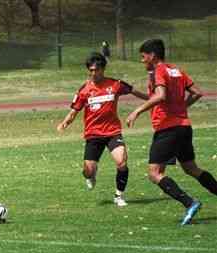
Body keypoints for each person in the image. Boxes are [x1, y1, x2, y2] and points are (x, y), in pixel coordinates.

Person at [126, 39, 217, 225]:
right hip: (184, 126)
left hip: (167, 129)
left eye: (143, 57)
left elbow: (161, 96)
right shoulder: (176, 70)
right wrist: (182, 107)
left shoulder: (160, 70)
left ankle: (190, 203)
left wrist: (137, 111)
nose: (142, 61)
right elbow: (197, 92)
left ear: (152, 56)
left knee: (154, 173)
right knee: (191, 168)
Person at [57, 52, 148, 206]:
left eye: (96, 70)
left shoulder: (115, 84)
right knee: (88, 171)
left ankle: (119, 196)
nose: (93, 73)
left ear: (103, 69)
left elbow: (133, 90)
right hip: (93, 134)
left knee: (122, 162)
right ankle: (91, 175)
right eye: (90, 70)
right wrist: (65, 122)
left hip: (112, 132)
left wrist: (151, 98)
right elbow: (74, 111)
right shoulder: (84, 89)